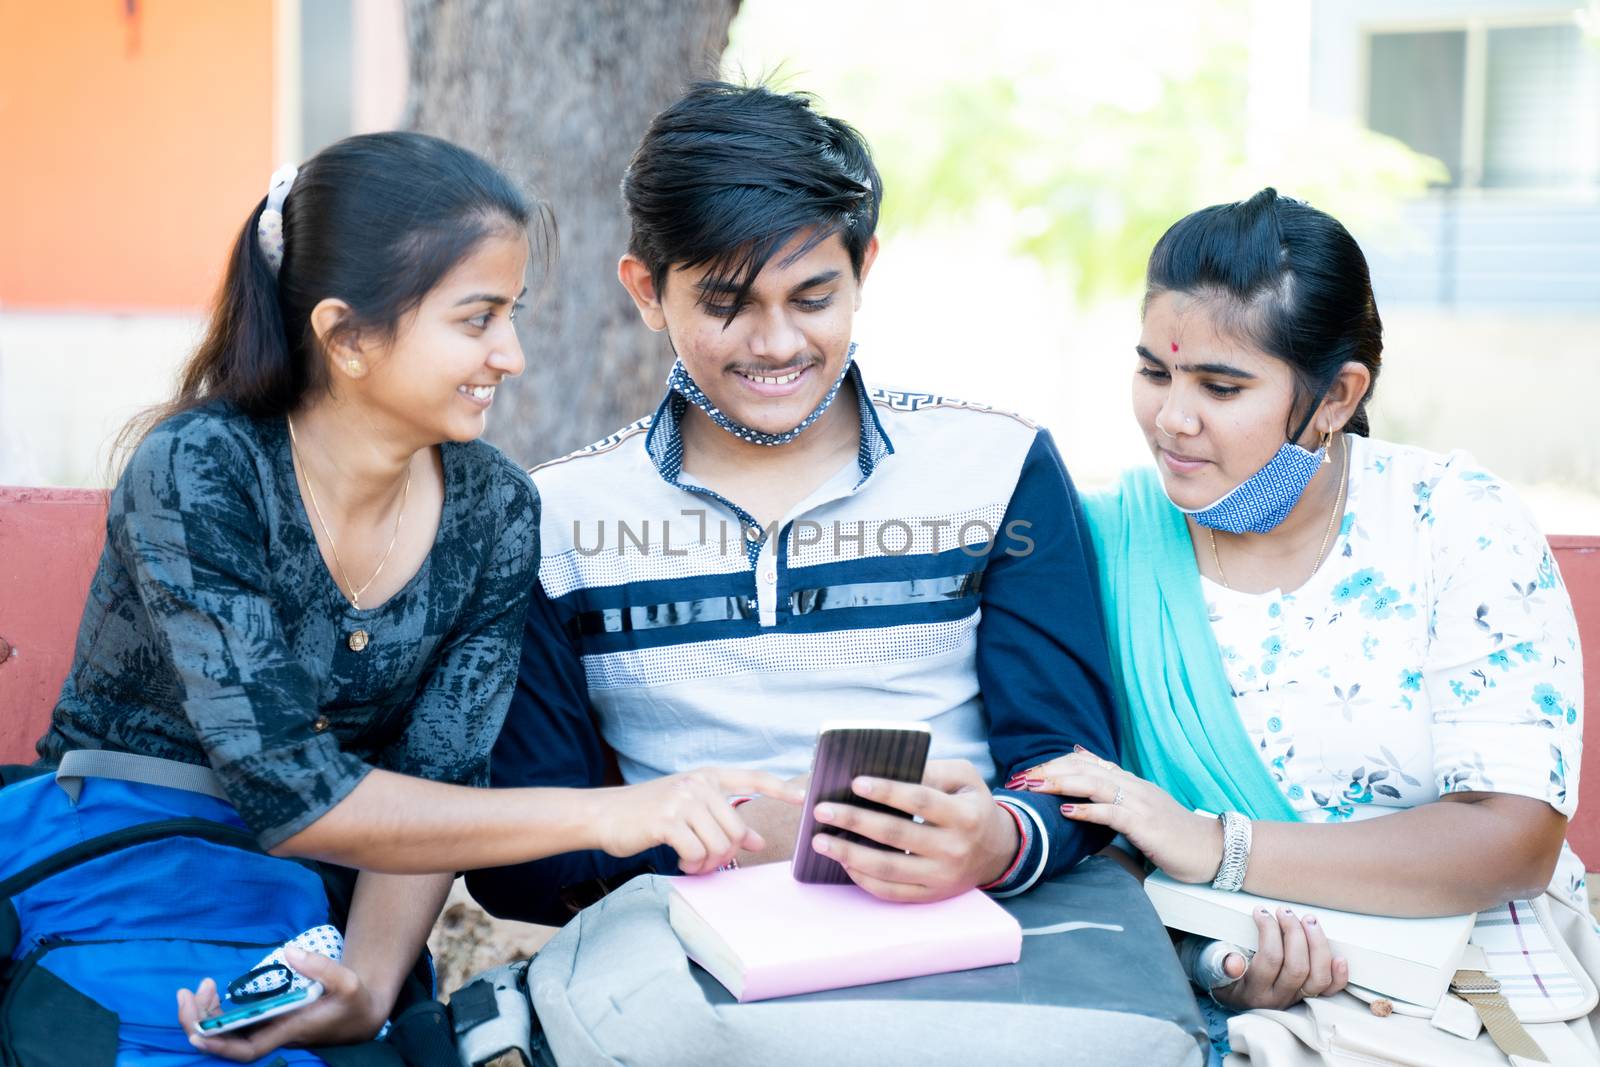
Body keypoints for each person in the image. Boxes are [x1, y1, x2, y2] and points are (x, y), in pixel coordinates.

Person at [1, 130, 793, 1066]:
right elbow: (291, 790)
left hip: (316, 915)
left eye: (513, 313)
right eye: (477, 319)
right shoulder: (203, 468)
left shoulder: (495, 508)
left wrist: (367, 988)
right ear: (346, 336)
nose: (513, 354)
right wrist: (615, 811)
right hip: (118, 873)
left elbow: (443, 770)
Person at [468, 82, 1121, 925]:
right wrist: (733, 837)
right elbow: (523, 856)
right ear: (645, 290)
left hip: (974, 938)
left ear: (865, 270)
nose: (776, 343)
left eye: (813, 299)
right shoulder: (553, 517)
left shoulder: (996, 466)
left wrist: (997, 837)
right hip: (689, 962)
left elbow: (1072, 772)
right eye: (726, 305)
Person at [1013, 189, 1588, 1060]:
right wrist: (1222, 963)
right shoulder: (1103, 544)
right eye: (1156, 371)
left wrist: (1222, 847)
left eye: (1221, 385)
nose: (1172, 417)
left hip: (1467, 986)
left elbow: (1513, 837)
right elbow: (1100, 834)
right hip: (1223, 1001)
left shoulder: (1449, 520)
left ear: (1335, 394)